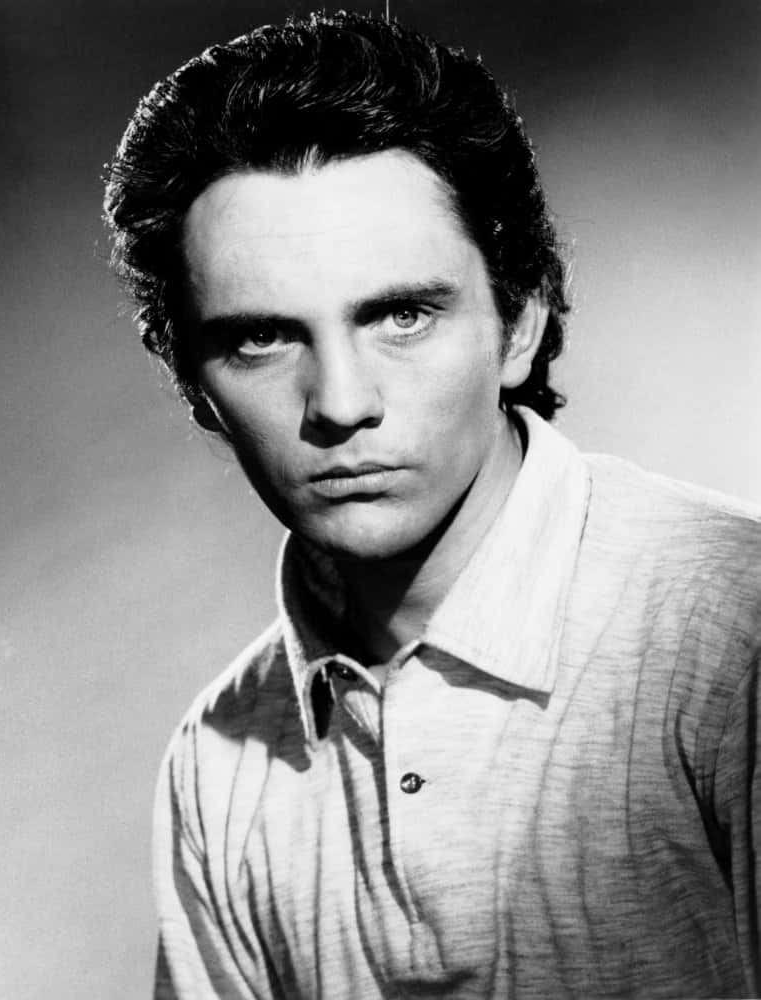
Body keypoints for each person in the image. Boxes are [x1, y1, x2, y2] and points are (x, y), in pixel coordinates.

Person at [104, 12, 760, 999]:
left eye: (402, 315)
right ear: (192, 382)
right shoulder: (220, 763)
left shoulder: (732, 638)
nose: (341, 403)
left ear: (520, 324)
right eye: (261, 339)